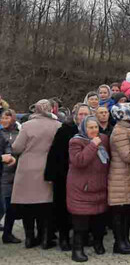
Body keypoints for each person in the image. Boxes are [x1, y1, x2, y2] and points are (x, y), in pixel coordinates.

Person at [11, 100, 61, 250]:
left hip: (27, 168)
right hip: (48, 167)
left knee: (28, 206)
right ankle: (45, 238)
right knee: (45, 206)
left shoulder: (27, 125)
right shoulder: (57, 125)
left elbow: (17, 147)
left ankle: (29, 238)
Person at [45, 103, 91, 251]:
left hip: (85, 177)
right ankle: (64, 238)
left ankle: (83, 235)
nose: (83, 117)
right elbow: (54, 154)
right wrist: (51, 175)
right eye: (81, 114)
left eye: (86, 114)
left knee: (83, 208)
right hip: (64, 175)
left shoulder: (92, 131)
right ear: (76, 116)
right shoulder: (65, 131)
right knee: (62, 208)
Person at [66, 116, 111, 262]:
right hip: (81, 189)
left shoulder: (103, 139)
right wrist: (92, 145)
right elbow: (79, 161)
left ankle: (98, 244)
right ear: (84, 128)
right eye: (90, 127)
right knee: (81, 222)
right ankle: (77, 249)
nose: (94, 130)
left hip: (99, 186)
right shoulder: (75, 141)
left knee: (99, 219)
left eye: (96, 127)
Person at [107, 104, 130, 255]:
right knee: (119, 212)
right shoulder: (120, 132)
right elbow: (127, 156)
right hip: (120, 177)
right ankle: (119, 242)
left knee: (126, 212)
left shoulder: (126, 130)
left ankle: (125, 241)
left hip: (126, 176)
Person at [0, 109, 21, 244]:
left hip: (16, 174)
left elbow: (10, 148)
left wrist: (11, 157)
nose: (4, 120)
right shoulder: (1, 133)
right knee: (3, 206)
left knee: (12, 208)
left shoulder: (19, 133)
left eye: (8, 118)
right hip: (2, 175)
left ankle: (7, 233)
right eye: (2, 118)